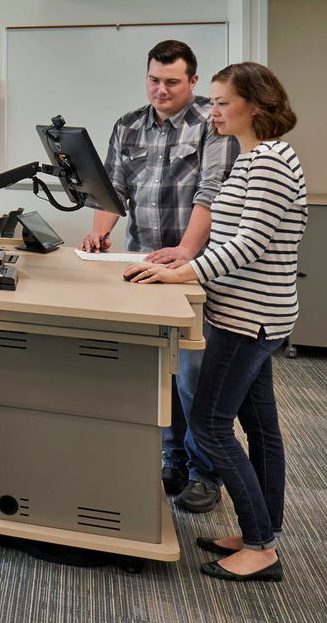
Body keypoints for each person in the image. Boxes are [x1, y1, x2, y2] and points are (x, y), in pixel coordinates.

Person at [125, 63, 305, 582]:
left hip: (248, 316)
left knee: (208, 424)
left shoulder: (267, 161)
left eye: (224, 102)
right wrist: (184, 266)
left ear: (257, 104)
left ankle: (260, 547)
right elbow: (235, 240)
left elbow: (248, 245)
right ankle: (261, 532)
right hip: (254, 312)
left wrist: (184, 270)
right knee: (260, 428)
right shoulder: (257, 157)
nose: (214, 111)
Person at [80, 39, 237, 513]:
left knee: (194, 375)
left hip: (193, 270)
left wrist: (186, 253)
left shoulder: (214, 122)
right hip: (143, 264)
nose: (160, 90)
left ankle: (205, 470)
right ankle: (172, 455)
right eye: (154, 80)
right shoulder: (128, 125)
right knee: (156, 369)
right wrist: (98, 236)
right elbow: (112, 191)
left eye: (172, 81)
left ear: (192, 81)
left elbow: (212, 190)